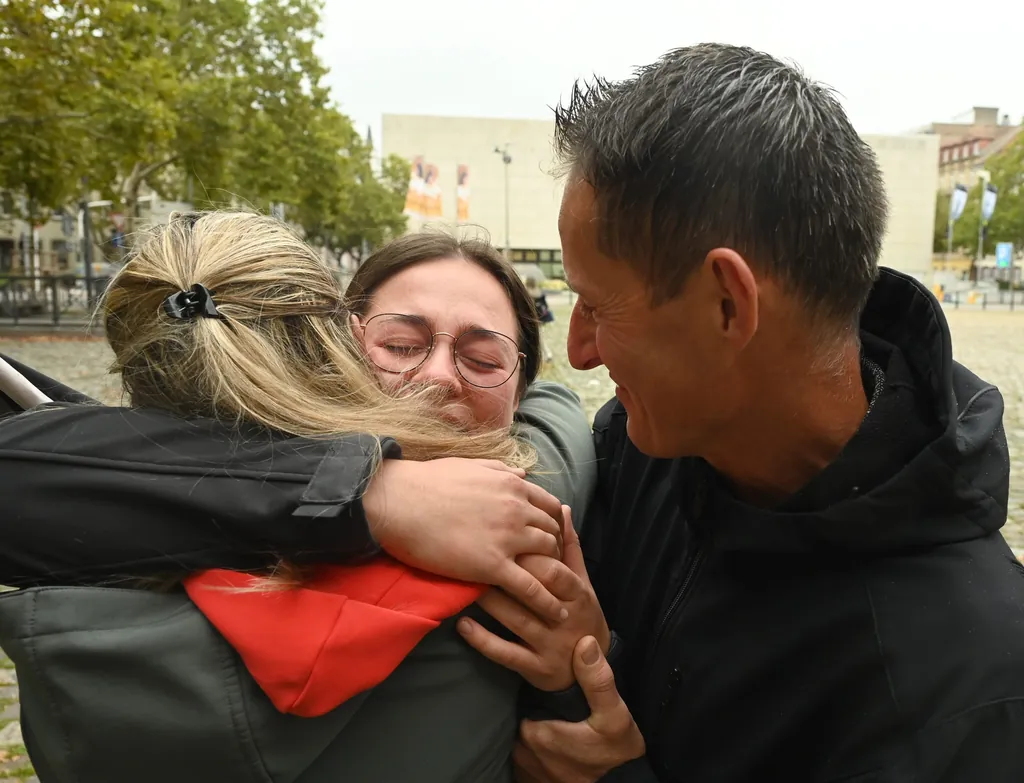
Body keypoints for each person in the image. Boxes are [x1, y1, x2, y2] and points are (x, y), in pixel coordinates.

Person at [3, 44, 1023, 783]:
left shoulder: (966, 676)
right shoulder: (636, 449)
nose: (578, 350)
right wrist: (376, 492)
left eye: (599, 305)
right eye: (399, 341)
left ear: (728, 304)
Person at [0, 214, 597, 782]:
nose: (440, 375)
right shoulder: (535, 500)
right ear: (333, 353)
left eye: (484, 360)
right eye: (400, 345)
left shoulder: (107, 517)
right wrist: (371, 490)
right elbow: (557, 418)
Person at [526, 276, 555, 362]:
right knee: (538, 337)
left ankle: (546, 354)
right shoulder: (539, 291)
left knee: (537, 338)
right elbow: (546, 305)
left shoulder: (528, 293)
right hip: (541, 318)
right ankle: (544, 355)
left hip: (532, 319)